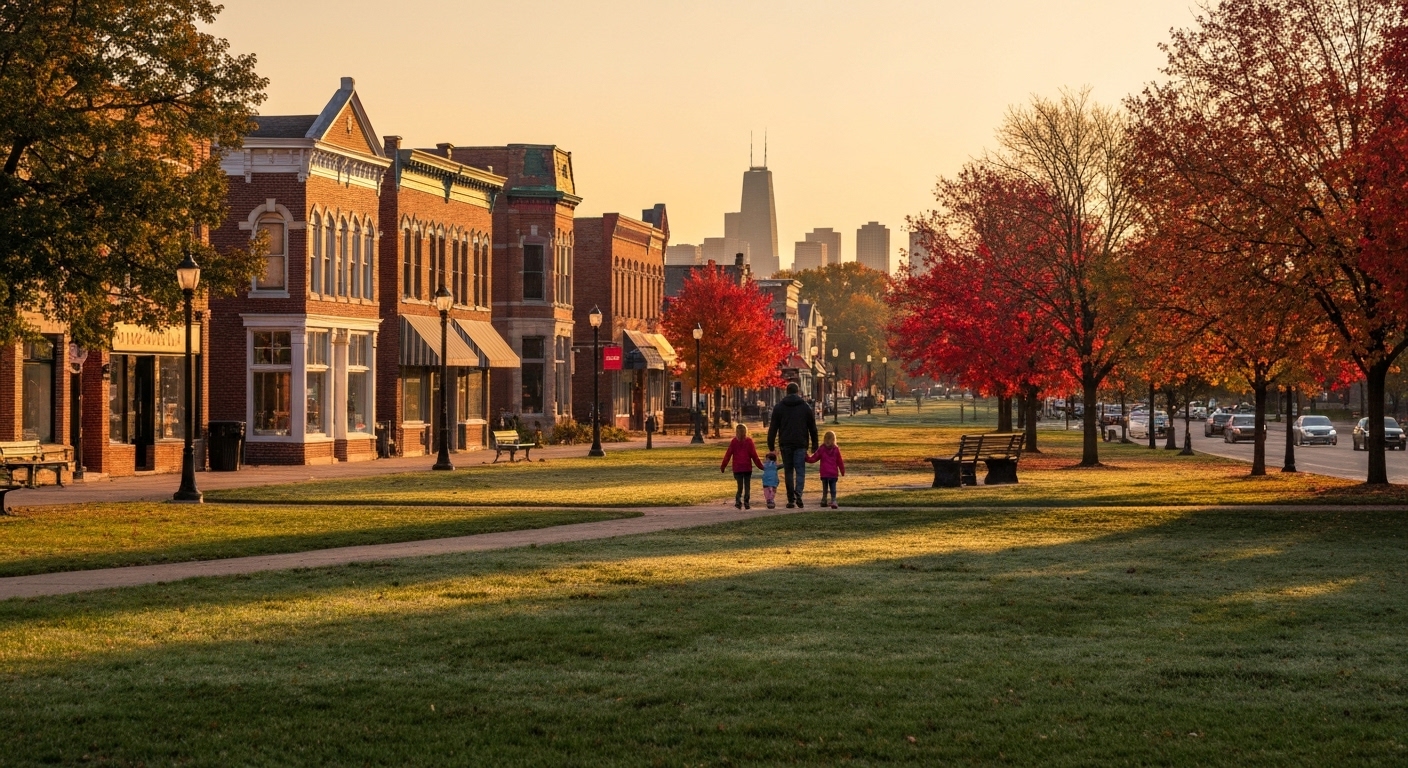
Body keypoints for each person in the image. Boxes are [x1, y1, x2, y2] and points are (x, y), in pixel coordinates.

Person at [767, 381, 819, 509]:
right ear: (797, 392)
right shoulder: (805, 407)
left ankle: (791, 499)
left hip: (785, 443)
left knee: (788, 471)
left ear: (787, 391)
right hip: (801, 443)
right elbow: (812, 427)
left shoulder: (779, 407)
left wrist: (771, 444)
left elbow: (773, 427)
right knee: (800, 470)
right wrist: (814, 444)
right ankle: (798, 493)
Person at [720, 423, 763, 509]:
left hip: (737, 468)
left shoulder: (734, 442)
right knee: (747, 486)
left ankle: (738, 500)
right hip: (747, 468)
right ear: (746, 432)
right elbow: (754, 456)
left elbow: (728, 455)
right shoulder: (749, 442)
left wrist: (723, 466)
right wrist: (761, 466)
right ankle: (746, 502)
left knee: (740, 486)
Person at [807, 430, 846, 509]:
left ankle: (824, 500)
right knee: (833, 489)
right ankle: (833, 500)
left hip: (824, 473)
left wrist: (806, 457)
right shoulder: (836, 449)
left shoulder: (822, 448)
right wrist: (842, 471)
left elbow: (814, 458)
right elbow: (840, 461)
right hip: (833, 474)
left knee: (825, 488)